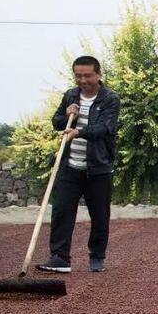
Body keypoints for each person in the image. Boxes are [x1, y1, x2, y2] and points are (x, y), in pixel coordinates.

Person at [37, 56, 121, 274]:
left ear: (98, 75)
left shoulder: (110, 99)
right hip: (69, 165)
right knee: (62, 212)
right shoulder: (70, 95)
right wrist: (66, 115)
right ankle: (60, 258)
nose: (83, 80)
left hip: (99, 168)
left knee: (99, 215)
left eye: (87, 75)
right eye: (79, 76)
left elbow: (106, 128)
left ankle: (97, 256)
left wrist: (79, 132)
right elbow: (56, 123)